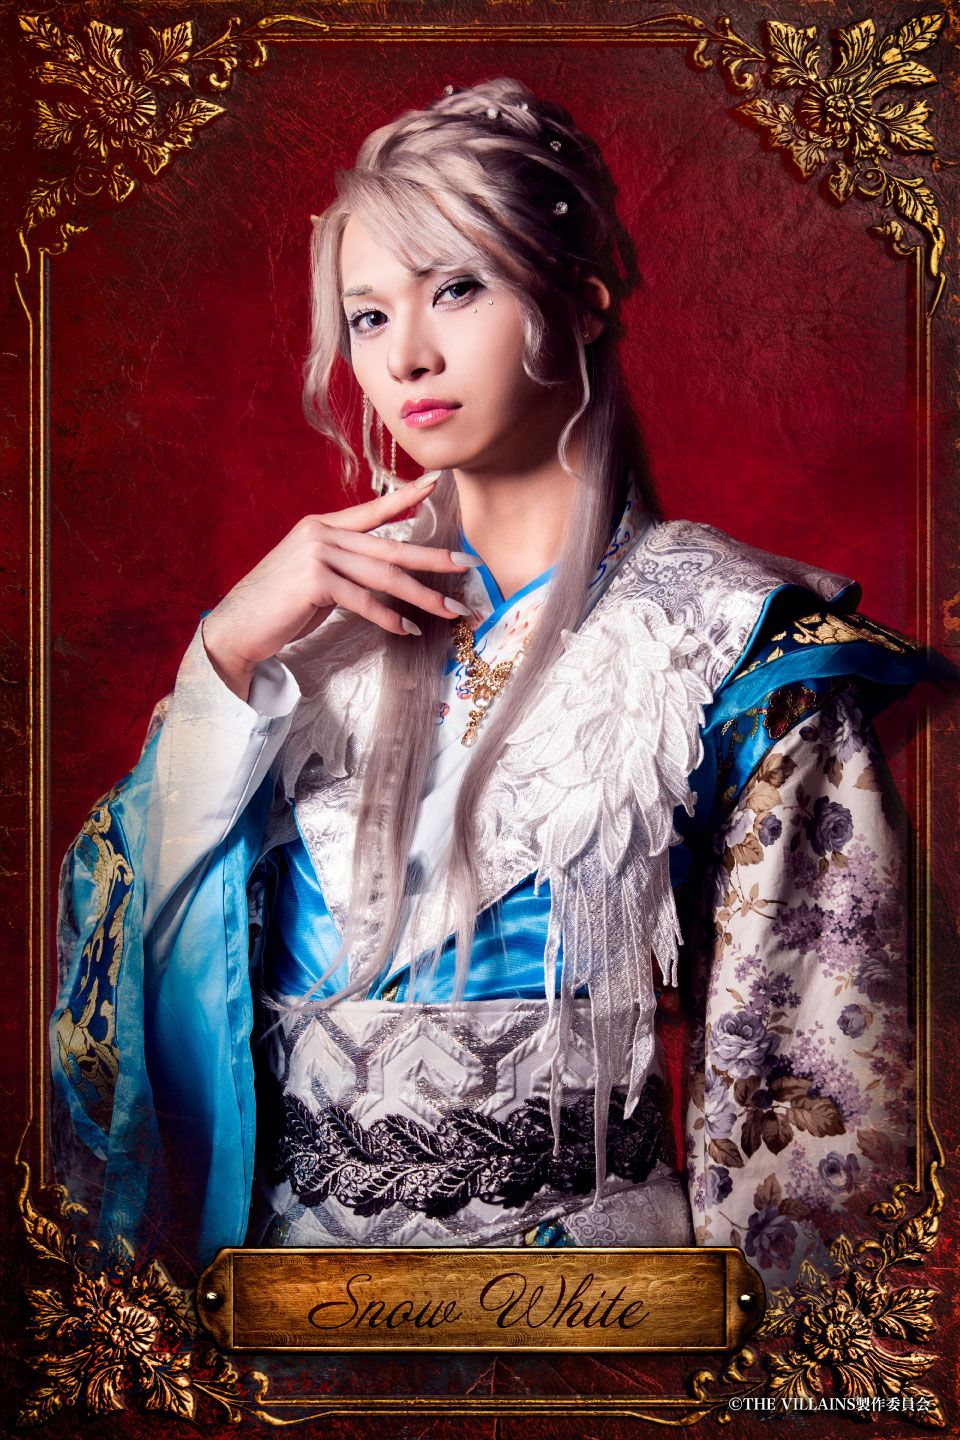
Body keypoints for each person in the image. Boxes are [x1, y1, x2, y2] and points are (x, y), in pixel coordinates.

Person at [52, 78, 939, 1294]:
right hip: (287, 1329)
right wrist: (224, 660)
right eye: (369, 315)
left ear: (581, 301)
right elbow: (125, 973)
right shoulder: (295, 652)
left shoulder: (739, 651)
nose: (406, 354)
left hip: (593, 1326)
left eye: (458, 288)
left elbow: (810, 1114)